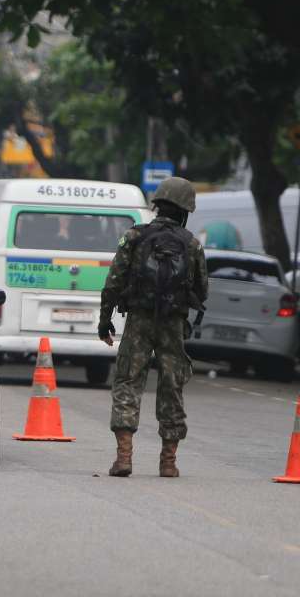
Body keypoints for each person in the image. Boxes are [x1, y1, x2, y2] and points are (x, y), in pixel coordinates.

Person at [98, 176, 208, 478]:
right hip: (173, 324)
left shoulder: (134, 236)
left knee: (128, 382)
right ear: (185, 210)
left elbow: (113, 283)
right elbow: (202, 290)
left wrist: (104, 319)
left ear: (157, 205)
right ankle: (168, 463)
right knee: (172, 386)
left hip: (138, 321)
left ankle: (124, 458)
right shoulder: (192, 244)